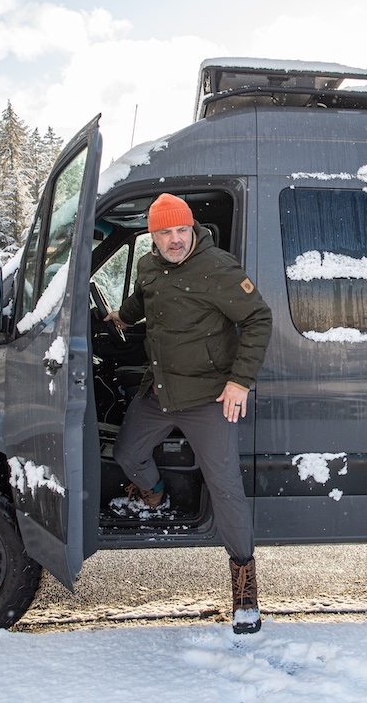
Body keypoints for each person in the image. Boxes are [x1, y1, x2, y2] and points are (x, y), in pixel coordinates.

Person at [104, 192, 272, 634]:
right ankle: (154, 492)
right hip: (159, 391)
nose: (175, 240)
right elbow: (144, 302)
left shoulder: (217, 268)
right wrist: (119, 316)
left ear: (192, 228)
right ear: (153, 236)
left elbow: (258, 319)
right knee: (127, 453)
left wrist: (240, 381)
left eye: (181, 230)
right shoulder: (148, 266)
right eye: (164, 233)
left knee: (226, 487)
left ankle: (244, 586)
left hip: (209, 398)